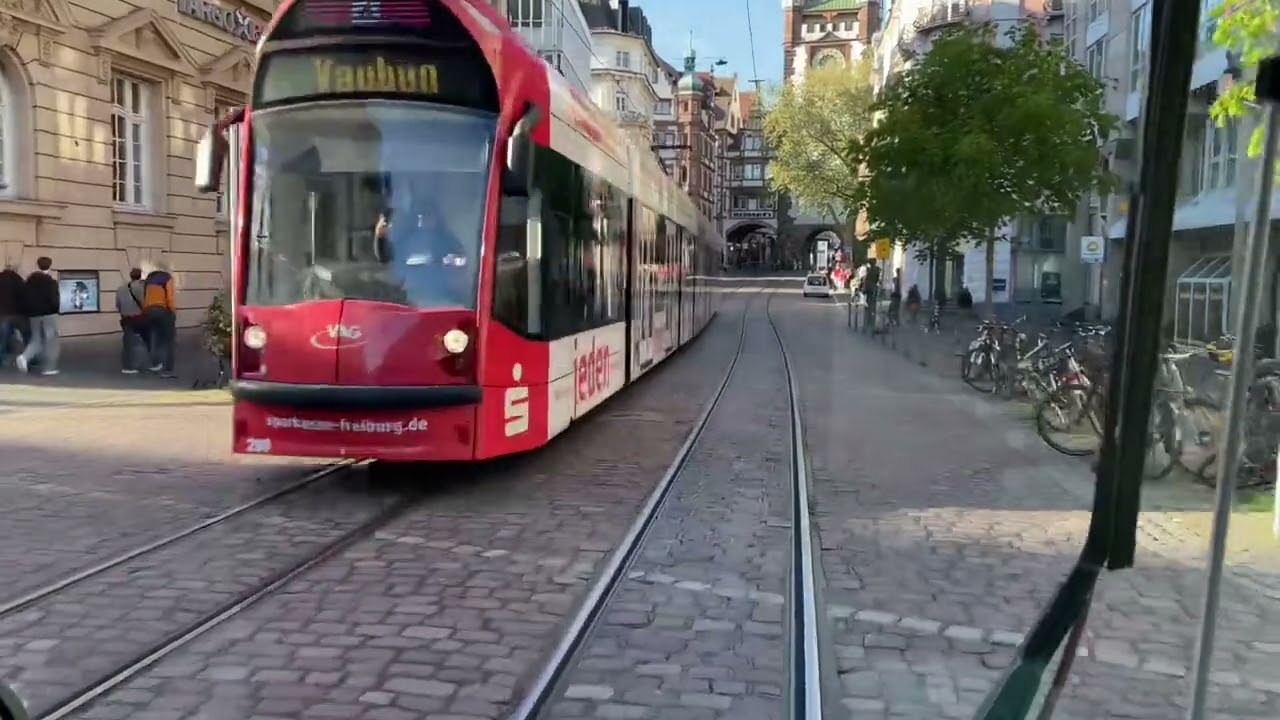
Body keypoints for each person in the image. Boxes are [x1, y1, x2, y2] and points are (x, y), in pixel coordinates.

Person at [15, 256, 60, 375]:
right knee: (51, 340)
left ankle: (24, 357)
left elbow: (24, 297)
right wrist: (56, 309)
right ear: (50, 266)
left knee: (36, 339)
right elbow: (54, 300)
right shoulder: (51, 281)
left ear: (37, 265)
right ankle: (49, 368)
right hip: (49, 314)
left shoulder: (29, 281)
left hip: (33, 314)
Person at [141, 262, 177, 377]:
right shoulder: (167, 278)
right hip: (162, 310)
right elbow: (170, 296)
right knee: (168, 339)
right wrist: (172, 310)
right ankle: (167, 367)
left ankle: (155, 364)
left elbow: (145, 296)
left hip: (149, 310)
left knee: (154, 337)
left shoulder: (149, 280)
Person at [115, 268, 147, 374]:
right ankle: (152, 363)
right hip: (139, 318)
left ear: (130, 275)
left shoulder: (121, 288)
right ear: (140, 275)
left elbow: (118, 305)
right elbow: (144, 303)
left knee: (127, 342)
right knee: (149, 338)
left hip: (126, 318)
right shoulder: (141, 287)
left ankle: (127, 366)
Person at [0, 261, 23, 367]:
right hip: (16, 314)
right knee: (23, 335)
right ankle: (25, 357)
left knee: (3, 338)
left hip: (2, 314)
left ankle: (3, 359)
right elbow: (24, 296)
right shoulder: (18, 280)